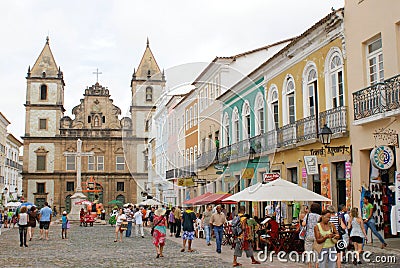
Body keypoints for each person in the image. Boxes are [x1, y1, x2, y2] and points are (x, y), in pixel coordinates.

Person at [302, 202, 321, 268]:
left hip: (308, 235)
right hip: (317, 236)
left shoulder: (308, 215)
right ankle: (316, 266)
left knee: (308, 251)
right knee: (317, 252)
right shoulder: (319, 216)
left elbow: (303, 224)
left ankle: (309, 266)